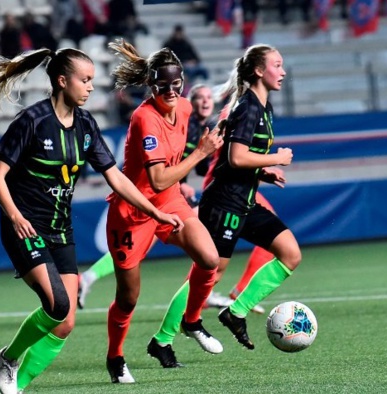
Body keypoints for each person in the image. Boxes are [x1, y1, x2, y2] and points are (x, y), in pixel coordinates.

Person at [0, 47, 183, 394]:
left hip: (60, 229)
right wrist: (16, 216)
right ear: (62, 81)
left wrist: (156, 212)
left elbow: (116, 177)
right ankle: (9, 358)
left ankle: (17, 384)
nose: (91, 87)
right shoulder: (32, 121)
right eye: (85, 80)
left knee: (65, 324)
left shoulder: (86, 125)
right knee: (58, 305)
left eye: (92, 80)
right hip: (25, 226)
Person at [78, 84, 268, 314]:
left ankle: (88, 277)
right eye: (199, 98)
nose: (206, 102)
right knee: (199, 241)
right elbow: (167, 163)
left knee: (153, 246)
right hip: (158, 195)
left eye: (209, 97)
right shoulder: (179, 123)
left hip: (169, 193)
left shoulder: (196, 126)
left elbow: (197, 165)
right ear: (190, 100)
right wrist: (183, 179)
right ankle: (201, 296)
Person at [104, 39, 225, 384]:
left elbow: (172, 169)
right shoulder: (144, 118)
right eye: (163, 85)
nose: (171, 91)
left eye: (176, 83)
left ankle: (191, 321)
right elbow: (155, 180)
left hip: (170, 199)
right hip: (133, 208)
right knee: (128, 298)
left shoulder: (185, 108)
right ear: (151, 84)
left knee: (209, 258)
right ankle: (115, 357)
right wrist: (201, 154)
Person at [205, 44, 299, 351]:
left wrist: (263, 173)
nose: (283, 71)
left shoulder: (264, 107)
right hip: (224, 203)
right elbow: (235, 157)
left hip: (245, 201)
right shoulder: (247, 107)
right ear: (259, 70)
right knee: (209, 274)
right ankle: (168, 334)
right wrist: (276, 159)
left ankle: (236, 312)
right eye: (277, 64)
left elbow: (244, 159)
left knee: (290, 253)